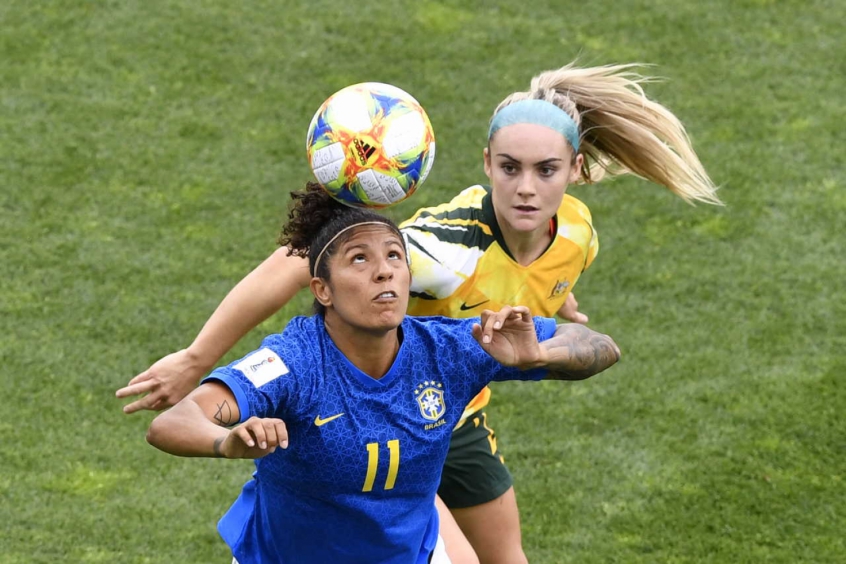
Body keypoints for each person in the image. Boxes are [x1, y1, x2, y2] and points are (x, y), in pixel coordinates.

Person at [119, 61, 721, 563]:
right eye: (510, 169)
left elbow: (555, 292)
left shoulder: (577, 234)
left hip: (453, 402)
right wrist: (197, 358)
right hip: (376, 405)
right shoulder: (436, 252)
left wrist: (554, 312)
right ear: (487, 165)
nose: (527, 189)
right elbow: (304, 259)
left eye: (547, 171)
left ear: (577, 173)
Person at [144, 186, 621, 564]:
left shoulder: (449, 349)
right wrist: (224, 442)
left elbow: (600, 346)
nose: (384, 273)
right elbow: (171, 422)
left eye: (395, 256)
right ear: (322, 290)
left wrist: (542, 354)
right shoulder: (294, 362)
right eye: (360, 259)